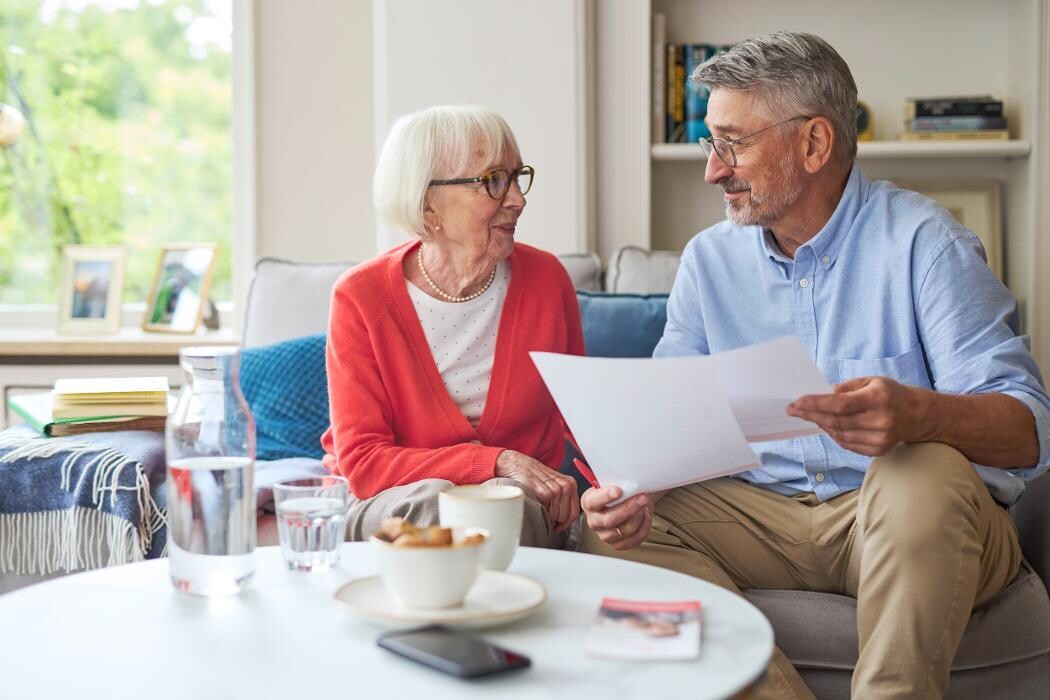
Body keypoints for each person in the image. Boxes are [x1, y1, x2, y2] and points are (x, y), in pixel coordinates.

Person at [580, 32, 1050, 699]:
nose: (713, 170)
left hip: (904, 520)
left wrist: (918, 414)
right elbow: (668, 424)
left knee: (919, 468)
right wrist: (634, 489)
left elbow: (1030, 428)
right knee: (605, 534)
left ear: (814, 144)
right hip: (763, 516)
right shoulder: (709, 263)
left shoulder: (924, 243)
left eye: (731, 143)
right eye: (710, 143)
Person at [321, 105, 583, 547]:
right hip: (393, 504)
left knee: (505, 505)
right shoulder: (361, 297)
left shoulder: (547, 281)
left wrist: (625, 487)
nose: (518, 199)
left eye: (518, 177)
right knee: (433, 502)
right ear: (427, 202)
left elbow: (584, 417)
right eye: (494, 181)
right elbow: (364, 465)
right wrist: (493, 463)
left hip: (517, 512)